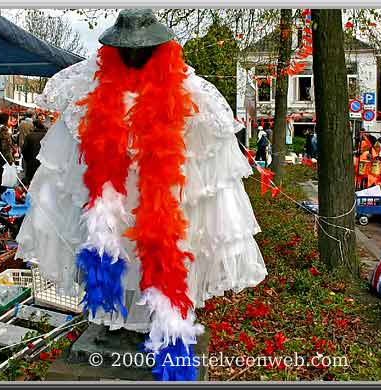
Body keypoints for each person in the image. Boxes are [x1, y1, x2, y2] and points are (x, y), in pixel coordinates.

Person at [16, 9, 267, 381]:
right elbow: (72, 157)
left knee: (161, 254)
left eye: (142, 48)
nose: (134, 54)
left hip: (162, 195)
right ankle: (110, 315)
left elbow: (211, 153)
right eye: (126, 48)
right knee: (110, 244)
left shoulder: (186, 91)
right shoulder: (88, 88)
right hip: (112, 194)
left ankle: (165, 326)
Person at [0, 112, 15, 201]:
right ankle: (2, 196)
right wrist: (10, 160)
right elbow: (5, 147)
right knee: (4, 177)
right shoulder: (3, 130)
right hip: (4, 157)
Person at [21, 119, 47, 186]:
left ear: (34, 126)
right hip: (44, 162)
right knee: (43, 182)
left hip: (32, 162)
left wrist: (27, 159)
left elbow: (24, 150)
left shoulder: (29, 136)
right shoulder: (47, 135)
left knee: (32, 181)